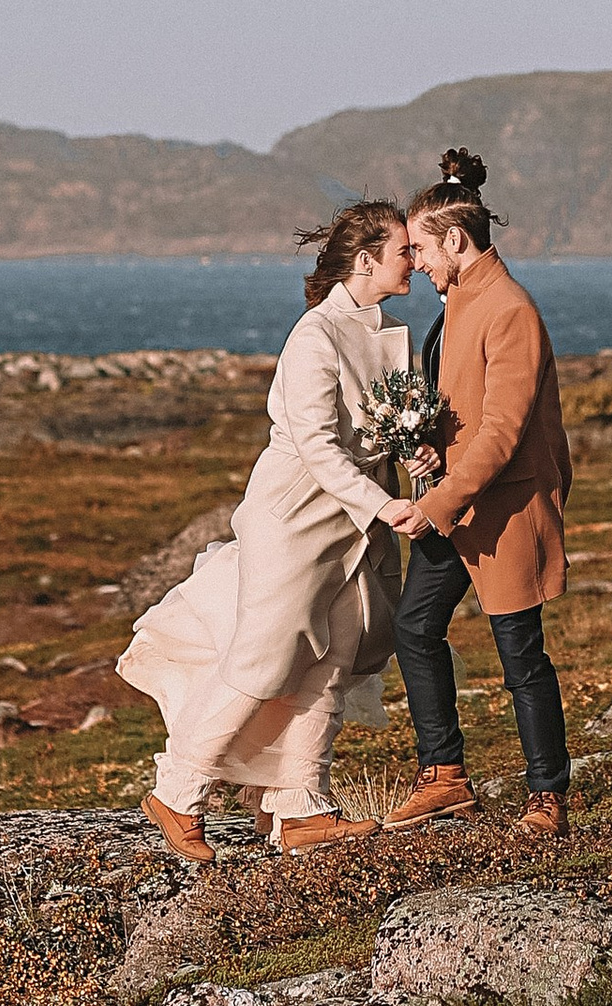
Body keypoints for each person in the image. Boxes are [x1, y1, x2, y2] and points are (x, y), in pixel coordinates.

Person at [116, 199, 416, 861]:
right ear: (365, 259)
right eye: (403, 250)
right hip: (298, 513)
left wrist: (415, 458)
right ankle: (178, 790)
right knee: (263, 657)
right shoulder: (316, 334)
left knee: (336, 659)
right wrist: (381, 503)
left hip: (359, 519)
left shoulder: (392, 332)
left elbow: (388, 429)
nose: (414, 260)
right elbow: (313, 442)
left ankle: (303, 805)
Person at [382, 148, 575, 838]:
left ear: (456, 240)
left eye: (421, 249)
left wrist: (433, 503)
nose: (418, 263)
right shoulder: (462, 301)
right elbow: (467, 411)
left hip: (504, 508)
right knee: (414, 626)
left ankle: (547, 798)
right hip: (461, 502)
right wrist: (434, 448)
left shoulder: (508, 308)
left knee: (519, 653)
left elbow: (502, 432)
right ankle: (445, 777)